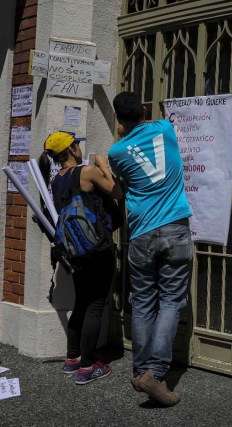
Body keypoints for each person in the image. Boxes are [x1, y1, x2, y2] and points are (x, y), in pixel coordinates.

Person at [109, 91, 193, 406]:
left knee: (143, 303)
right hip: (175, 228)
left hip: (141, 233)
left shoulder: (115, 153)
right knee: (171, 302)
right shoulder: (165, 130)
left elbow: (121, 187)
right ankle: (156, 376)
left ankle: (139, 370)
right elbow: (152, 123)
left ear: (119, 122)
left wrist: (124, 132)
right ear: (143, 109)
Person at [39, 131, 120, 385]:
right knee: (95, 305)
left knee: (82, 303)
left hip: (75, 252)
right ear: (72, 150)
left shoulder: (56, 180)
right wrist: (104, 167)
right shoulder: (85, 172)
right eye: (77, 145)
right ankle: (87, 366)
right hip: (97, 249)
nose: (80, 149)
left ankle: (72, 358)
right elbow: (116, 192)